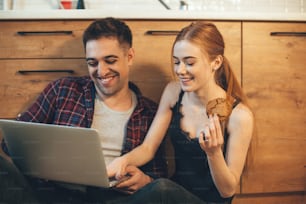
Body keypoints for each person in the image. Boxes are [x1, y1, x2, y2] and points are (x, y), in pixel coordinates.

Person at [0, 17, 167, 203]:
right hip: (50, 194)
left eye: (110, 60)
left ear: (129, 57)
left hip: (111, 199)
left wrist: (146, 181)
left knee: (161, 190)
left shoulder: (150, 113)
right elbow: (10, 143)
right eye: (92, 63)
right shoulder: (63, 90)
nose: (101, 71)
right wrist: (44, 160)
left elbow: (159, 176)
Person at [107, 21, 254, 204]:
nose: (180, 70)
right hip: (172, 195)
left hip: (207, 201)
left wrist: (214, 153)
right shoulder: (174, 92)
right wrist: (121, 162)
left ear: (216, 62)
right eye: (177, 62)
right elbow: (148, 148)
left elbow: (227, 190)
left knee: (161, 188)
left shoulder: (239, 116)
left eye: (189, 63)